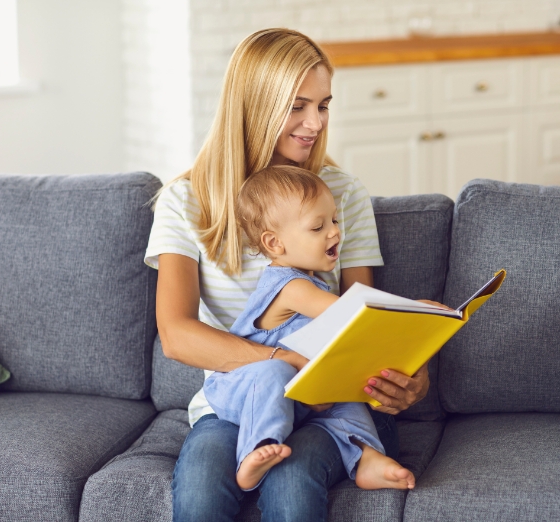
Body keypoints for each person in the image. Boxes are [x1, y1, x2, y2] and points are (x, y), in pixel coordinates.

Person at [150, 28, 433, 522]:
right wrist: (284, 368)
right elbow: (176, 335)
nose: (314, 123)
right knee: (199, 489)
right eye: (297, 106)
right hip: (237, 402)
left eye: (323, 105)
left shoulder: (342, 193)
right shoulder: (185, 201)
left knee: (294, 481)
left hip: (334, 405)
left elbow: (360, 316)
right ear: (254, 106)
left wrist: (413, 375)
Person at [202, 165, 414, 492]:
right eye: (318, 227)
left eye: (334, 220)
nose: (334, 232)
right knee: (272, 371)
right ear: (274, 243)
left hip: (294, 393)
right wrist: (418, 310)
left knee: (341, 387)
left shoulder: (312, 281)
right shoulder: (290, 287)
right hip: (242, 388)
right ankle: (254, 452)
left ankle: (366, 455)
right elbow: (351, 314)